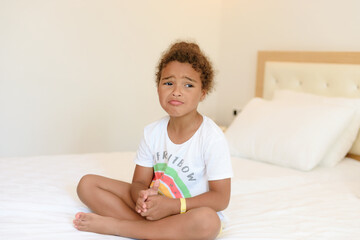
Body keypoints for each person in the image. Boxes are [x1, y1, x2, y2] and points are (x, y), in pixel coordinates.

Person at [73, 40, 233, 240]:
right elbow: (139, 182)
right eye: (168, 82)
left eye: (188, 85)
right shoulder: (152, 132)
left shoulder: (212, 137)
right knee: (87, 184)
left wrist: (173, 206)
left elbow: (221, 198)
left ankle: (119, 227)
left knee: (208, 221)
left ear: (202, 93)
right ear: (158, 87)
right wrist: (143, 197)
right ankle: (155, 230)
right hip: (156, 206)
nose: (176, 91)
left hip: (186, 211)